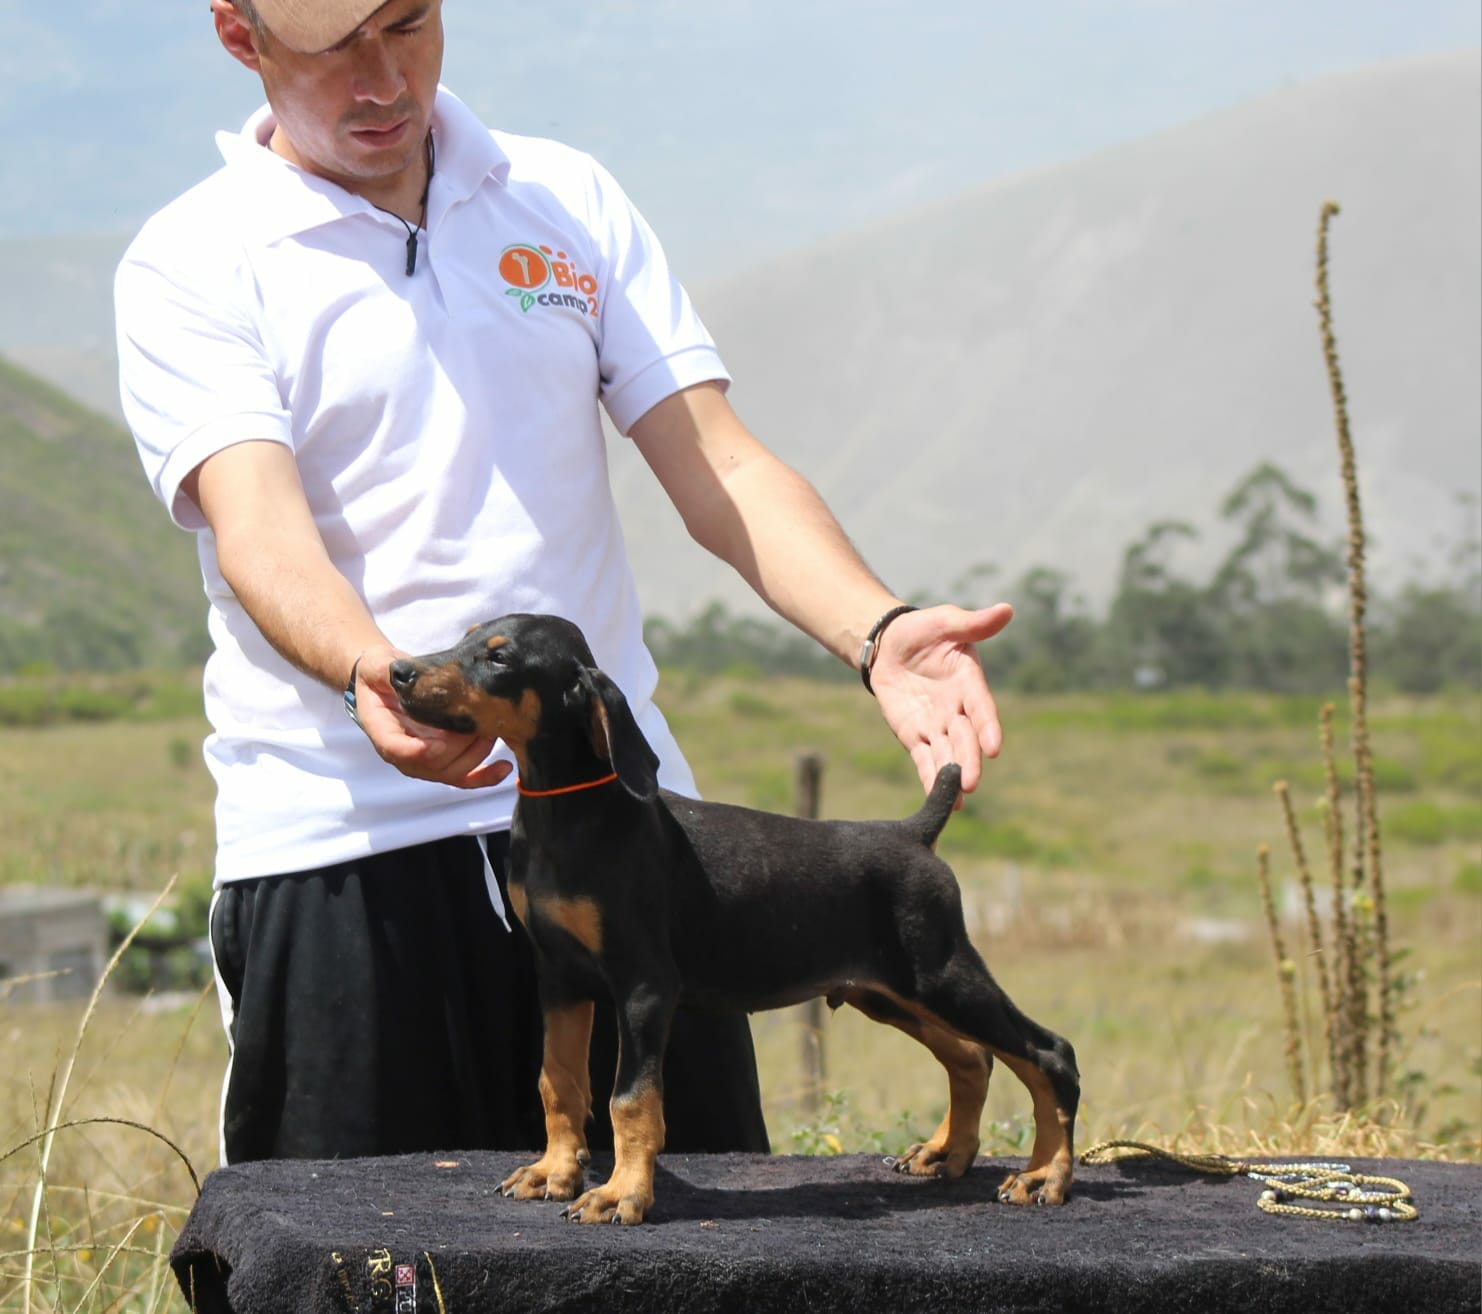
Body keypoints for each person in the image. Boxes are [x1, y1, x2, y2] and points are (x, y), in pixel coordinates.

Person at [114, 0, 1015, 1166]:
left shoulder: (564, 198)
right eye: (336, 45)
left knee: (697, 1264)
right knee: (362, 1269)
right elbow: (263, 531)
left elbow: (719, 461)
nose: (385, 77)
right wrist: (370, 673)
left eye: (409, 23)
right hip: (343, 850)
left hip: (631, 841)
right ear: (243, 39)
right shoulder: (192, 257)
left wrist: (878, 628)